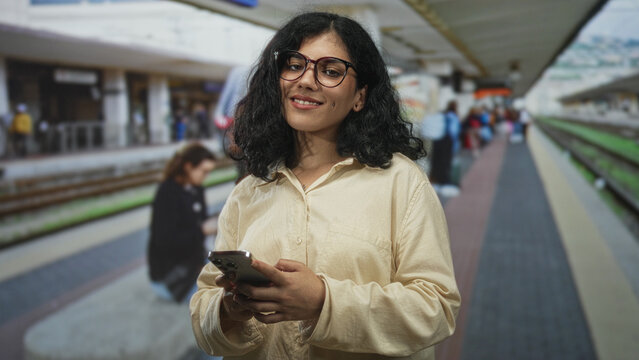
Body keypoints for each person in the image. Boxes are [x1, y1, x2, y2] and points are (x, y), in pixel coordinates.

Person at [190, 12, 460, 359]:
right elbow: (202, 313)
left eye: (330, 71)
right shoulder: (249, 191)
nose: (305, 80)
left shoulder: (401, 182)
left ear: (360, 96)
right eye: (294, 64)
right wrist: (230, 310)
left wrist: (322, 300)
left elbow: (436, 309)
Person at [148, 142, 217, 303]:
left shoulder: (197, 189)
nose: (206, 176)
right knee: (221, 297)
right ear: (188, 166)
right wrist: (202, 231)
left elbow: (199, 222)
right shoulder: (168, 193)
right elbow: (165, 241)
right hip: (170, 279)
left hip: (192, 265)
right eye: (204, 171)